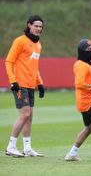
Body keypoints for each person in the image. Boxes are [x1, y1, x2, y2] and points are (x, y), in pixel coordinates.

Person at [5, 15, 45, 157]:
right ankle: (11, 146)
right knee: (25, 114)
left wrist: (39, 83)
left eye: (40, 27)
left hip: (30, 85)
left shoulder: (38, 44)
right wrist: (12, 81)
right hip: (20, 84)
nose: (39, 29)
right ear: (29, 25)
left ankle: (27, 148)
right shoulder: (20, 41)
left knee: (30, 116)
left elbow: (35, 67)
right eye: (36, 26)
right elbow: (9, 61)